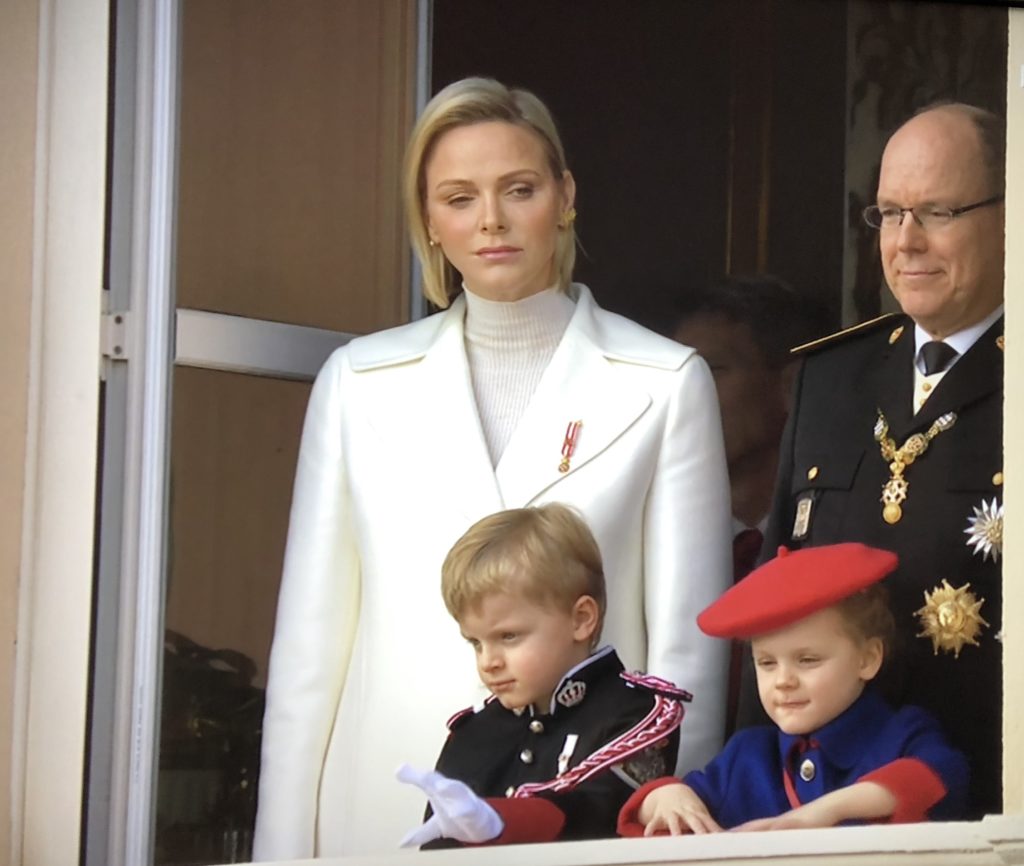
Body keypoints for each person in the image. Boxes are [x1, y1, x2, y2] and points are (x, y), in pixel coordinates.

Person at [253, 77, 732, 859]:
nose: (492, 221)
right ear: (428, 221)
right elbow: (309, 652)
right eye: (458, 197)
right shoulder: (356, 382)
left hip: (587, 816)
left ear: (565, 196)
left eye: (519, 189)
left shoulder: (667, 381)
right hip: (383, 807)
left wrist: (672, 838)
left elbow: (689, 661)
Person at [746, 102, 1005, 818]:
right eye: (889, 214)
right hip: (819, 811)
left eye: (938, 212)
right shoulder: (833, 379)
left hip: (985, 805)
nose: (907, 240)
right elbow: (777, 596)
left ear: (1010, 213)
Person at [619, 543, 969, 835]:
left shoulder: (901, 733)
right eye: (767, 663)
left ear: (868, 658)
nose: (783, 680)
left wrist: (827, 811)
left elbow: (939, 775)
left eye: (807, 660)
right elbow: (648, 818)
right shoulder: (746, 755)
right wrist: (667, 796)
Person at [397, 504, 691, 847]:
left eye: (509, 637)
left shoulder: (635, 711)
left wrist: (498, 822)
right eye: (476, 642)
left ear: (581, 619)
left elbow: (600, 815)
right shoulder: (474, 734)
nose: (488, 661)